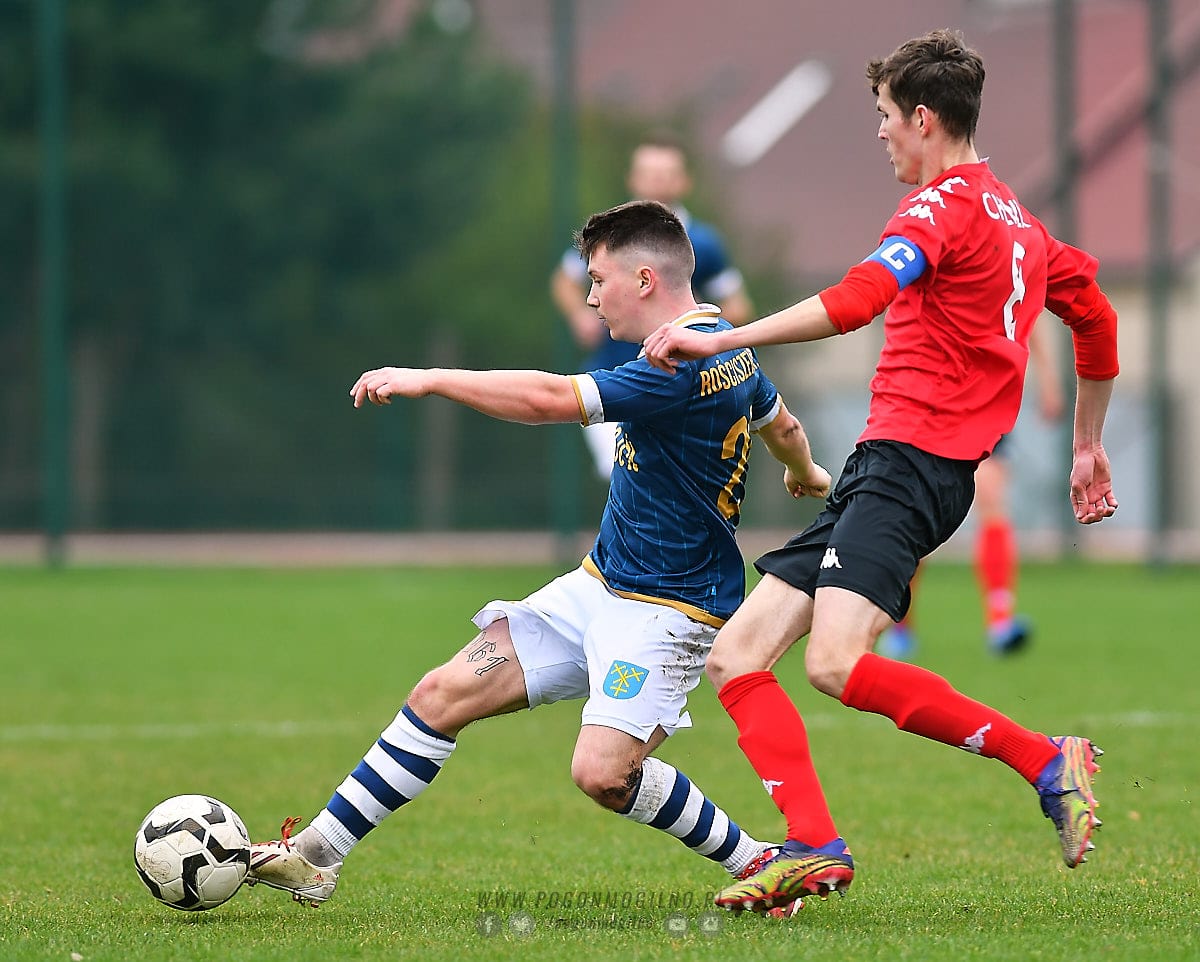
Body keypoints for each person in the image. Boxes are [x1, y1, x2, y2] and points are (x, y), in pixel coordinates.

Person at [644, 28, 1118, 916]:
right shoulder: (1023, 223)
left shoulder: (939, 211)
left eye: (885, 116)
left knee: (834, 663)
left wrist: (724, 337)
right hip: (890, 466)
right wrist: (1087, 442)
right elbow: (1096, 321)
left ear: (924, 118)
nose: (881, 133)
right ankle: (813, 847)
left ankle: (1047, 760)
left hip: (913, 467)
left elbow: (857, 300)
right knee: (739, 654)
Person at [244, 200, 832, 910]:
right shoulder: (726, 347)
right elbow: (782, 423)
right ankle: (315, 856)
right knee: (440, 694)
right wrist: (806, 472)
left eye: (599, 280)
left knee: (603, 774)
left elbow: (549, 399)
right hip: (600, 585)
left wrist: (431, 378)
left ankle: (758, 860)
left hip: (670, 611)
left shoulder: (674, 365)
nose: (591, 298)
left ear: (645, 280)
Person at [550, 132, 754, 480]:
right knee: (623, 471)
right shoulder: (609, 235)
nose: (656, 183)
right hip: (613, 375)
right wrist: (579, 316)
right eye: (649, 174)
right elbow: (564, 280)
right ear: (632, 179)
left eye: (665, 174)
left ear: (684, 181)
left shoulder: (703, 244)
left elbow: (738, 307)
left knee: (660, 477)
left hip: (677, 385)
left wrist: (689, 318)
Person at [879, 320, 1066, 659]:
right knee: (918, 515)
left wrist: (1048, 380)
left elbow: (1025, 314)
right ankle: (901, 625)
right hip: (931, 400)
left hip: (986, 400)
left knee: (992, 498)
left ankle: (1000, 621)